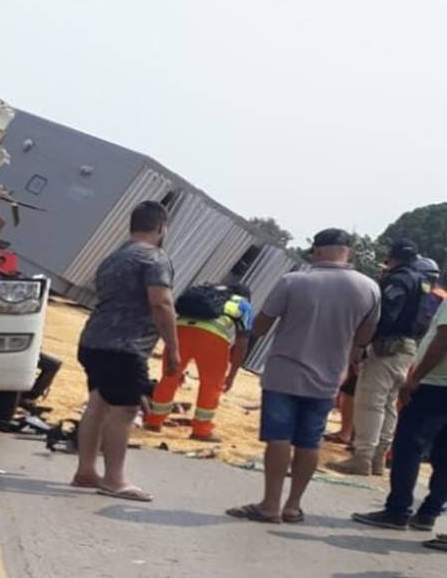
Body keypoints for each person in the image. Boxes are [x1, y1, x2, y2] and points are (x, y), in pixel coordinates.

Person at [227, 228, 380, 524]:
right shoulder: (369, 288)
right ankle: (293, 505)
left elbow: (260, 325)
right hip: (328, 377)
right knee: (310, 441)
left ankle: (270, 505)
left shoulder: (294, 281)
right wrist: (351, 348)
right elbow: (365, 334)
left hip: (284, 372)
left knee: (279, 438)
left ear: (318, 251)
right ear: (348, 251)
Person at [71, 200, 179, 503]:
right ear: (160, 228)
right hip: (126, 347)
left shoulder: (113, 257)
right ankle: (114, 479)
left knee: (98, 405)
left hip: (93, 340)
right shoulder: (155, 258)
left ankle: (86, 470)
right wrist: (172, 347)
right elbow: (161, 302)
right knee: (125, 410)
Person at [350, 281, 447, 537]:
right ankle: (428, 513)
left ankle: (398, 510)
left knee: (408, 447)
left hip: (436, 385)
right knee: (445, 455)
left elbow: (442, 340)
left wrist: (416, 378)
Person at [330, 239, 427, 475]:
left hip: (387, 348)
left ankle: (362, 457)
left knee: (370, 402)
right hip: (407, 349)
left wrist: (363, 343)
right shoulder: (421, 282)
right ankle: (378, 459)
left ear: (393, 258)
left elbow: (386, 315)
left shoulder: (398, 280)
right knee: (388, 405)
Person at [145, 284, 254, 441]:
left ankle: (154, 422)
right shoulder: (243, 305)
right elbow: (242, 342)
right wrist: (232, 374)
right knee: (211, 385)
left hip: (180, 331)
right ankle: (201, 431)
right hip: (212, 339)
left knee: (169, 378)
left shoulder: (204, 295)